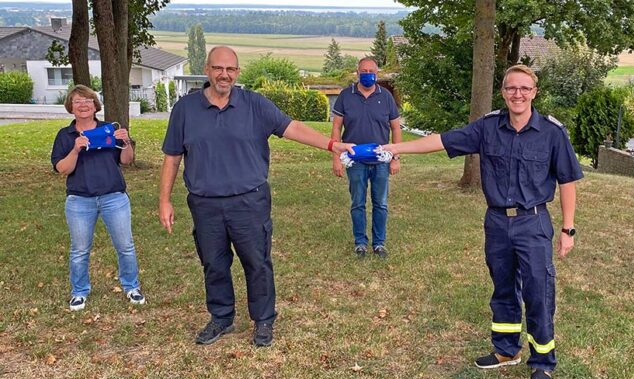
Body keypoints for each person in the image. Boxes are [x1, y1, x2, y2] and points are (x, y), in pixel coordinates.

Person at [382, 64, 583, 379]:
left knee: (538, 291)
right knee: (503, 287)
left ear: (534, 92)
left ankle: (543, 361)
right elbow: (441, 141)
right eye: (511, 88)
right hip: (497, 222)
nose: (518, 94)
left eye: (524, 88)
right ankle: (506, 350)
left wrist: (567, 229)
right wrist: (395, 147)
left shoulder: (552, 132)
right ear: (503, 92)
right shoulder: (487, 127)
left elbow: (567, 180)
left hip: (533, 222)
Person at [159, 46, 353, 347]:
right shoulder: (185, 109)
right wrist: (164, 200)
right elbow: (172, 158)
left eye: (231, 69)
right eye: (218, 68)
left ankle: (263, 320)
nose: (224, 75)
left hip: (249, 202)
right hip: (205, 204)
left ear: (237, 73)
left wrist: (331, 145)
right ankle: (221, 317)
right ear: (207, 70)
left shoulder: (255, 104)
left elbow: (292, 127)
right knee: (213, 264)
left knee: (257, 263)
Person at [50, 85, 145, 311]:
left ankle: (132, 286)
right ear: (71, 107)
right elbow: (62, 169)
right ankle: (79, 291)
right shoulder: (65, 135)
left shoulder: (109, 129)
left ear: (95, 105)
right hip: (79, 200)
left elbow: (126, 160)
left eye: (88, 100)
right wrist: (75, 149)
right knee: (80, 250)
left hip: (114, 197)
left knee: (125, 246)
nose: (83, 105)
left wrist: (126, 142)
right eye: (77, 101)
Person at [331, 57, 402, 258]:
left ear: (377, 74)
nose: (367, 74)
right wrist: (336, 158)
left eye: (371, 71)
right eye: (364, 71)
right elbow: (336, 128)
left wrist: (395, 157)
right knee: (357, 203)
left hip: (381, 161)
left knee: (381, 204)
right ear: (357, 73)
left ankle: (379, 243)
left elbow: (396, 128)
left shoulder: (386, 97)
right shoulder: (346, 96)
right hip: (355, 161)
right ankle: (360, 243)